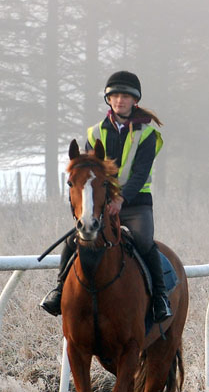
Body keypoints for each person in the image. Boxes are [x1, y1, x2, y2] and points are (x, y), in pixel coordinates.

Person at [41, 70, 172, 322]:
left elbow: (140, 174)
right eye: (115, 96)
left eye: (126, 96)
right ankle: (59, 290)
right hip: (102, 203)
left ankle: (160, 297)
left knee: (145, 243)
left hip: (137, 204)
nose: (120, 100)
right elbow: (90, 173)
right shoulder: (94, 133)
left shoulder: (147, 134)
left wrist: (121, 200)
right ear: (108, 100)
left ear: (135, 101)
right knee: (74, 240)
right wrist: (102, 203)